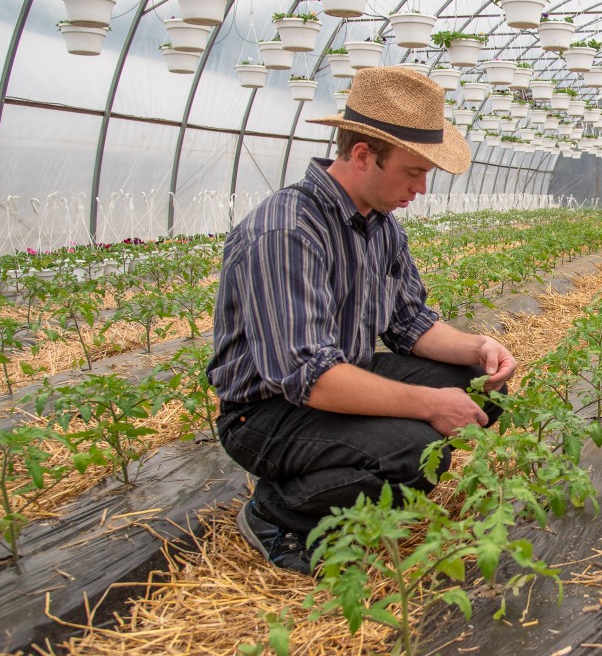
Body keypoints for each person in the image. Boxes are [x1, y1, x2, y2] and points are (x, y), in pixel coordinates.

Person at [208, 66, 517, 575]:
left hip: (341, 378)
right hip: (266, 412)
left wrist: (478, 349)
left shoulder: (380, 227)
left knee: (482, 389)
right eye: (413, 171)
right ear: (361, 156)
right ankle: (276, 513)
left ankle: (344, 484)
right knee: (413, 448)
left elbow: (409, 324)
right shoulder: (287, 231)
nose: (420, 188)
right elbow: (310, 378)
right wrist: (429, 404)